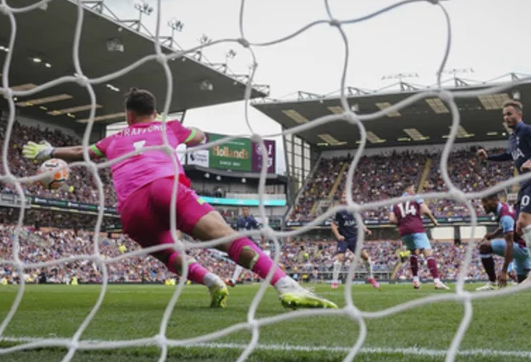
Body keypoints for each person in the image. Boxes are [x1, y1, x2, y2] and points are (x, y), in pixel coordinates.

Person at [23, 87, 336, 309]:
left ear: (128, 115)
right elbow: (200, 137)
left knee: (166, 252)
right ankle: (285, 285)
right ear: (154, 112)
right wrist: (183, 129)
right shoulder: (168, 127)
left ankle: (211, 280)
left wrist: (48, 151)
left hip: (131, 208)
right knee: (225, 236)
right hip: (164, 187)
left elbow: (81, 153)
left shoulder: (113, 139)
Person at [477, 100, 531, 284]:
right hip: (525, 184)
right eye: (504, 115)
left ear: (519, 115)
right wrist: (489, 158)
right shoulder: (512, 138)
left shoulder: (527, 130)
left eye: (510, 114)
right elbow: (508, 155)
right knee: (520, 228)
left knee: (523, 224)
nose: (506, 117)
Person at [389, 185, 449, 290]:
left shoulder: (394, 203)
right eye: (413, 189)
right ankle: (436, 281)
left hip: (404, 231)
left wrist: (404, 222)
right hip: (416, 228)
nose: (414, 191)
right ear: (407, 190)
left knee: (414, 252)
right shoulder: (416, 197)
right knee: (428, 253)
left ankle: (416, 280)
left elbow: (392, 220)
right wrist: (434, 221)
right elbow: (425, 211)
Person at [479, 194, 531, 289]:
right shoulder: (504, 207)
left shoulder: (505, 217)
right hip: (525, 247)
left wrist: (504, 271)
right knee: (524, 283)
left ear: (494, 201)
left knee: (484, 247)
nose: (483, 206)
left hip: (520, 248)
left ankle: (492, 282)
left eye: (485, 203)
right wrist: (493, 235)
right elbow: (507, 226)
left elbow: (509, 244)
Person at [330, 191, 379, 289]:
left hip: (354, 238)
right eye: (343, 197)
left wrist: (366, 230)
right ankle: (335, 281)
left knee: (365, 257)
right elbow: (333, 225)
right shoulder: (339, 211)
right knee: (340, 258)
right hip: (343, 238)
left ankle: (371, 278)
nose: (345, 199)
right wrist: (338, 235)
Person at [226, 207, 260, 287]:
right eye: (243, 210)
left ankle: (261, 276)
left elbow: (259, 229)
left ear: (249, 211)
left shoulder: (251, 220)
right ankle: (233, 280)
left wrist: (263, 240)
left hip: (249, 242)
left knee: (254, 260)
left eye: (246, 210)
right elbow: (236, 231)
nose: (244, 211)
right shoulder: (239, 220)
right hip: (241, 242)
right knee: (240, 261)